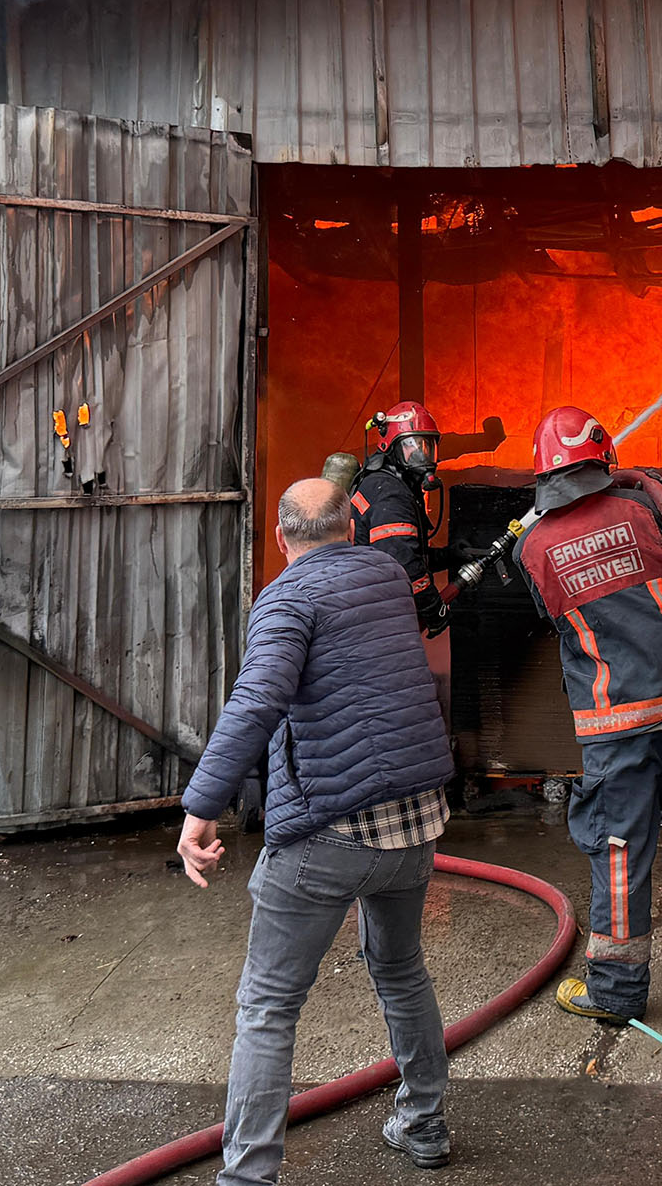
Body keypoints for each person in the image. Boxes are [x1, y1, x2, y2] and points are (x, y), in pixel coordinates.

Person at [176, 478, 457, 1179]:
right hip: (417, 824)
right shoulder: (387, 576)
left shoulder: (287, 597)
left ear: (281, 540)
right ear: (350, 529)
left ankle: (247, 1176)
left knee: (268, 1007)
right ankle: (424, 1125)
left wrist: (200, 808)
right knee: (400, 971)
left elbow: (255, 703)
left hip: (331, 833)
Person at [512, 406, 662, 1024]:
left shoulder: (532, 545)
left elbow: (549, 616)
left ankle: (617, 993)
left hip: (614, 721)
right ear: (603, 458)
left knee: (619, 849)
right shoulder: (645, 507)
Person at [350, 401, 451, 636]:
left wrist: (451, 555)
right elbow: (403, 563)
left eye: (428, 446)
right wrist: (433, 608)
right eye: (412, 446)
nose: (422, 455)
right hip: (377, 619)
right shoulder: (390, 493)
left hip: (373, 608)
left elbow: (404, 550)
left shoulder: (385, 484)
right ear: (391, 447)